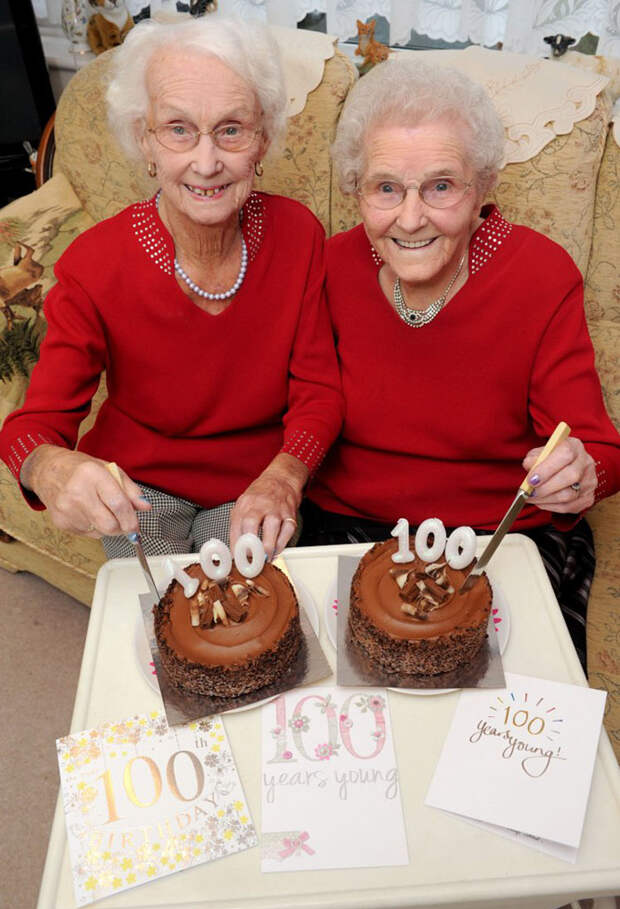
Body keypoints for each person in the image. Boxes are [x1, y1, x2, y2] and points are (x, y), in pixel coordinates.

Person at [299, 58, 620, 671]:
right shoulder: (331, 266)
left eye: (441, 186)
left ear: (483, 187)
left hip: (502, 534)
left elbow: (600, 448)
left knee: (513, 737)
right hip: (347, 526)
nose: (412, 218)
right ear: (356, 189)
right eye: (386, 187)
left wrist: (578, 476)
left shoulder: (538, 274)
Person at [0, 17, 343, 561]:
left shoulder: (298, 236)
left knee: (240, 603)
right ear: (145, 141)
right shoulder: (96, 264)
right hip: (141, 487)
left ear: (264, 139)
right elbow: (33, 426)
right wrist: (46, 466)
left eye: (231, 129)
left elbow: (319, 390)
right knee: (169, 606)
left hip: (256, 478)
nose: (206, 163)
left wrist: (286, 475)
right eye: (179, 129)